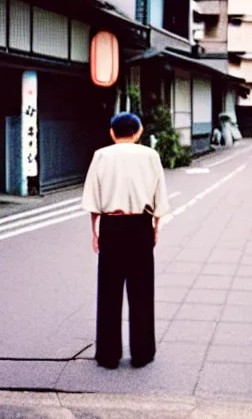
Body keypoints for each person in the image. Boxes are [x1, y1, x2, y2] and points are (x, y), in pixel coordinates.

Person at [81, 112, 170, 369]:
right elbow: (159, 197)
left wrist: (95, 232)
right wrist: (155, 228)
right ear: (139, 132)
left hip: (112, 225)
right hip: (139, 225)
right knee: (141, 290)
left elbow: (93, 200)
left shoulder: (101, 155)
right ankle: (142, 352)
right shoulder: (150, 156)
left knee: (109, 290)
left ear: (112, 132)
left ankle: (108, 354)